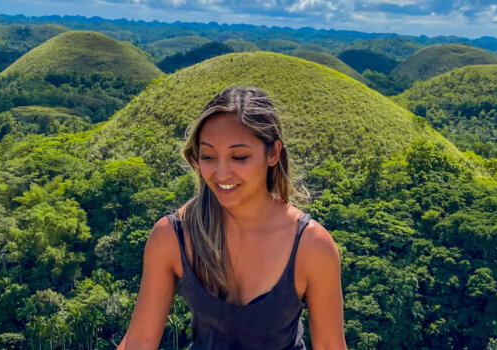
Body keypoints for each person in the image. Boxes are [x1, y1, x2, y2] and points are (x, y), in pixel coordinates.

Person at [117, 87, 346, 349]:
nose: (221, 173)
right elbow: (140, 340)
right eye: (208, 156)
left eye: (239, 157)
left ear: (273, 153)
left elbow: (330, 345)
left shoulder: (311, 245)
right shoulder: (174, 235)